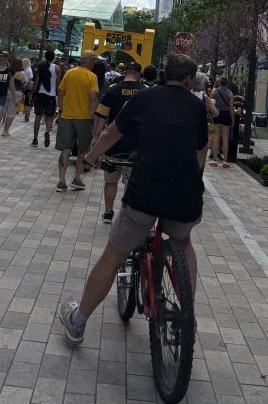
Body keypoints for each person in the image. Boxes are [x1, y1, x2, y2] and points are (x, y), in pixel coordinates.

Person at [58, 53, 208, 345]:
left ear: (165, 74)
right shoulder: (196, 106)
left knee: (114, 255)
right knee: (183, 242)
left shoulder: (144, 98)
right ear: (189, 80)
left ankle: (78, 321)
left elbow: (112, 133)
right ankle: (186, 314)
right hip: (185, 194)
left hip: (146, 190)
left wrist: (91, 156)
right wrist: (195, 174)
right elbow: (201, 150)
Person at [93, 61, 144, 224]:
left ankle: (108, 212)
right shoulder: (146, 92)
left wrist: (96, 138)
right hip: (135, 145)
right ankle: (126, 214)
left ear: (125, 72)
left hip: (113, 143)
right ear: (139, 74)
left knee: (110, 181)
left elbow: (101, 116)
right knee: (130, 184)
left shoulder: (113, 89)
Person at [55, 50, 99, 192]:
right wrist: (95, 114)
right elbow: (92, 97)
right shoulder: (92, 76)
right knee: (82, 150)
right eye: (94, 61)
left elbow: (61, 92)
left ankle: (61, 180)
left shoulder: (69, 73)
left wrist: (60, 110)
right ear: (90, 61)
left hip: (67, 116)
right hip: (84, 118)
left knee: (65, 149)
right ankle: (77, 178)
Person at [31, 50, 60, 147]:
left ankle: (35, 139)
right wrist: (58, 96)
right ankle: (47, 131)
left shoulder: (41, 67)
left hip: (40, 94)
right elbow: (58, 84)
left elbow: (36, 82)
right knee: (49, 116)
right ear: (53, 57)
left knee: (38, 117)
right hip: (51, 95)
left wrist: (32, 93)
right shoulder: (57, 68)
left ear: (45, 56)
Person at [208, 75, 235, 168]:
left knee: (215, 137)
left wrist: (211, 117)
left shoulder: (214, 91)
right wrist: (232, 119)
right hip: (226, 115)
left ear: (219, 82)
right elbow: (231, 108)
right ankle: (226, 161)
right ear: (227, 83)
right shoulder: (230, 93)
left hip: (217, 114)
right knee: (225, 138)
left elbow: (211, 105)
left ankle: (214, 160)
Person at [2, 57, 25, 136]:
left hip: (6, 91)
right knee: (11, 113)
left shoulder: (8, 71)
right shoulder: (21, 73)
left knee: (2, 111)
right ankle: (5, 131)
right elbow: (24, 83)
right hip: (17, 93)